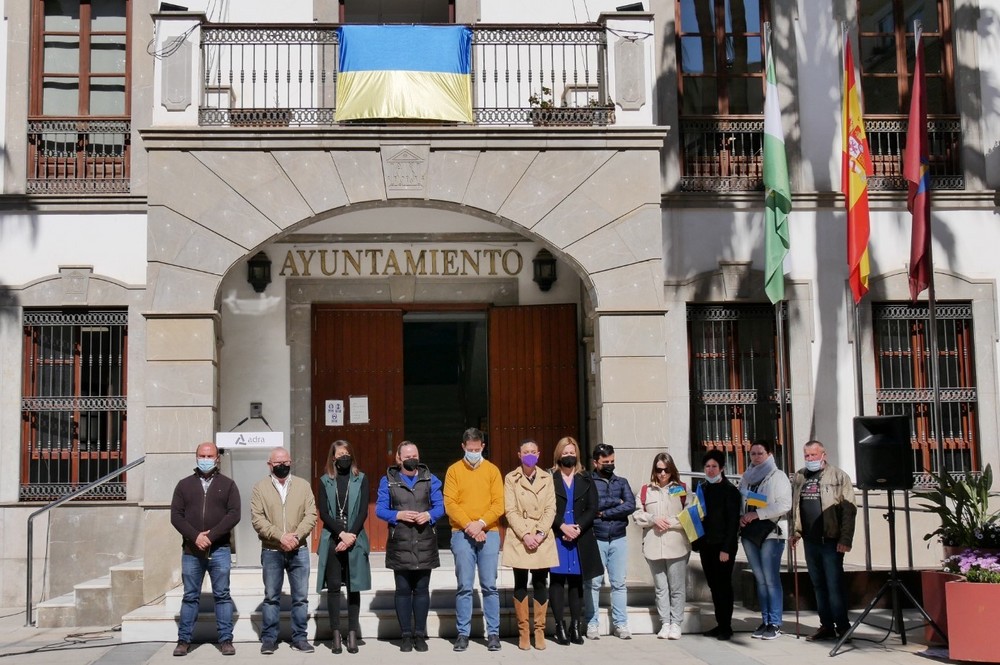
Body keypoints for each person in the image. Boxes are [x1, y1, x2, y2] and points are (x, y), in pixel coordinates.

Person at [170, 442, 241, 657]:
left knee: (222, 595)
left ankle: (226, 640)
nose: (206, 459)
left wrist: (211, 536)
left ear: (217, 458)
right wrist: (195, 537)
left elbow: (234, 514)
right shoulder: (184, 485)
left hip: (219, 549)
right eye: (202, 455)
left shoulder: (228, 485)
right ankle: (184, 640)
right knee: (190, 595)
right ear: (196, 456)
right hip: (192, 551)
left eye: (210, 456)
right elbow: (176, 516)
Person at [376, 441, 444, 653]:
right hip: (400, 543)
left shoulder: (430, 479)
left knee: (422, 590)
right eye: (407, 456)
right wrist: (398, 515)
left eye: (414, 455)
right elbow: (380, 509)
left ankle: (420, 635)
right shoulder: (388, 480)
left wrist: (429, 515)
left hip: (425, 541)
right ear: (398, 459)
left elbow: (440, 507)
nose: (411, 459)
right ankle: (406, 635)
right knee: (403, 590)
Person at [250, 446, 318, 655]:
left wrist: (295, 537)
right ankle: (269, 639)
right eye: (278, 462)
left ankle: (300, 638)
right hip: (272, 550)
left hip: (299, 549)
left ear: (291, 462)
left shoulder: (303, 485)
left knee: (300, 597)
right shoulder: (260, 488)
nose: (282, 465)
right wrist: (281, 536)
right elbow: (258, 519)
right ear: (269, 465)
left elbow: (311, 515)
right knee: (271, 597)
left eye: (286, 462)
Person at [443, 427, 505, 652]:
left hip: (489, 532)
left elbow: (499, 504)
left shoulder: (492, 471)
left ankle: (493, 633)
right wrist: (470, 526)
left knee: (489, 585)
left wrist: (480, 523)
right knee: (464, 585)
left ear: (483, 447)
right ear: (463, 447)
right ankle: (463, 633)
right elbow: (450, 503)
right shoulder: (454, 471)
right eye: (470, 449)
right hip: (461, 532)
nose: (474, 453)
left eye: (477, 449)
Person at [790, 440, 857, 641]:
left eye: (813, 455)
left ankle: (843, 627)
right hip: (810, 540)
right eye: (807, 455)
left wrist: (845, 539)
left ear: (823, 455)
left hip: (830, 540)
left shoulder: (838, 476)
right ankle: (826, 625)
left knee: (834, 585)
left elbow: (849, 511)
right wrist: (796, 532)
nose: (810, 458)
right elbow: (796, 507)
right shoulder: (800, 476)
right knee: (818, 585)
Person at [502, 438, 559, 650]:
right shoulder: (511, 478)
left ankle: (540, 631)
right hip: (520, 536)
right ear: (519, 455)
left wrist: (540, 533)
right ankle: (524, 632)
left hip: (541, 537)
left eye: (533, 451)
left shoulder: (547, 477)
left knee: (540, 582)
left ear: (539, 454)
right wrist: (525, 534)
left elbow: (551, 508)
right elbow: (510, 510)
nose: (529, 455)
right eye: (525, 452)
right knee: (520, 582)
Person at [317, 440, 371, 654]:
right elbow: (323, 512)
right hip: (333, 536)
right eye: (340, 454)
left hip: (355, 537)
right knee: (333, 587)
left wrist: (350, 537)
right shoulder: (325, 481)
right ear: (333, 457)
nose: (344, 457)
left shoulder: (361, 478)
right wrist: (340, 534)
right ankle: (336, 633)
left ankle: (352, 633)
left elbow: (363, 512)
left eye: (347, 453)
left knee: (353, 586)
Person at [549, 436, 603, 646]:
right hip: (558, 534)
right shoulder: (549, 477)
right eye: (565, 452)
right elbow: (546, 508)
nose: (569, 456)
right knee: (557, 580)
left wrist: (577, 527)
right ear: (558, 454)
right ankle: (560, 626)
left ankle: (576, 626)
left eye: (572, 452)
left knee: (576, 582)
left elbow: (592, 507)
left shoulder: (586, 478)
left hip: (580, 535)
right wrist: (562, 526)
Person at [632, 452, 691, 640]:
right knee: (660, 587)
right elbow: (637, 514)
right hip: (653, 545)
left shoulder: (681, 489)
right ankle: (665, 622)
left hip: (677, 544)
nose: (663, 474)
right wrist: (653, 519)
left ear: (672, 469)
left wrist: (669, 522)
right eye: (659, 470)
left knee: (677, 587)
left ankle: (676, 623)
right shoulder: (646, 490)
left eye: (666, 470)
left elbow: (689, 514)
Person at [738, 439, 792, 641]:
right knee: (760, 579)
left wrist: (757, 514)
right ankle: (765, 620)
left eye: (760, 453)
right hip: (750, 534)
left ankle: (775, 623)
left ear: (769, 455)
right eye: (752, 454)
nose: (756, 457)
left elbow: (784, 505)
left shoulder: (778, 476)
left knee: (770, 578)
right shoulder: (746, 478)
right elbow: (741, 502)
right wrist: (742, 517)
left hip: (771, 533)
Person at [585, 443, 635, 640]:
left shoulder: (621, 482)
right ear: (595, 462)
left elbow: (630, 505)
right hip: (596, 537)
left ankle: (621, 624)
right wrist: (616, 503)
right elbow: (592, 505)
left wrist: (605, 513)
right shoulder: (588, 481)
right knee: (593, 583)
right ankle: (592, 623)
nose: (610, 465)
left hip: (618, 537)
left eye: (612, 461)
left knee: (619, 583)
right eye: (605, 462)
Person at [692, 449, 741, 641]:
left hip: (722, 547)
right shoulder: (702, 488)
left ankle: (726, 626)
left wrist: (726, 549)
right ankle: (720, 623)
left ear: (721, 468)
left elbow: (733, 523)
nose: (710, 470)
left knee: (723, 586)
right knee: (713, 586)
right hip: (707, 545)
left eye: (714, 466)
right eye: (707, 466)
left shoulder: (730, 491)